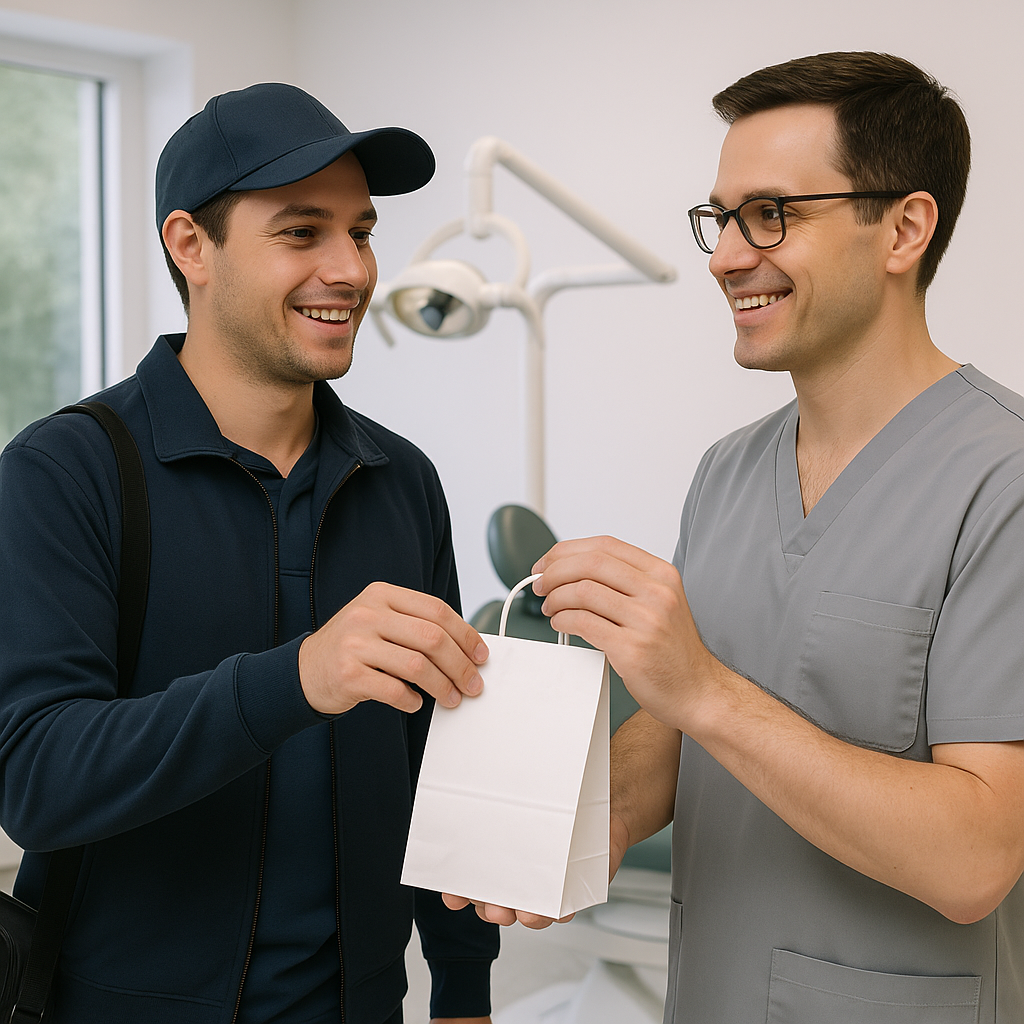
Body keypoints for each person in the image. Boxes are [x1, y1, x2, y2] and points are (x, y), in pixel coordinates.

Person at [445, 52, 1024, 1023]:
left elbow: (975, 859)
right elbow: (674, 735)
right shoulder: (726, 472)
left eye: (773, 214)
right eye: (721, 218)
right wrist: (570, 830)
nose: (721, 256)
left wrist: (704, 688)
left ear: (904, 230)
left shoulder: (999, 479)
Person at [0, 82, 498, 1024]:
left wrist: (464, 985)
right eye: (301, 232)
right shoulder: (63, 472)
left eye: (360, 230)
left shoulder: (401, 480)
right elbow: (36, 780)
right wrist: (298, 678)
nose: (349, 268)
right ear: (191, 246)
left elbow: (439, 754)